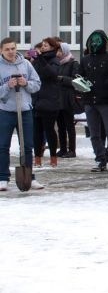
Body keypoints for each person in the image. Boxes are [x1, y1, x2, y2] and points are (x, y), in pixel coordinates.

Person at [0, 37, 44, 191]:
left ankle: (29, 177)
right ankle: (3, 178)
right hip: (5, 110)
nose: (11, 52)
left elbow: (37, 84)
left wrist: (26, 84)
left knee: (27, 146)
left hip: (25, 110)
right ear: (1, 51)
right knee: (3, 145)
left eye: (13, 48)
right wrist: (7, 86)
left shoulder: (26, 64)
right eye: (7, 49)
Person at [79, 30, 108, 171]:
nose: (95, 43)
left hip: (107, 100)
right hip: (90, 100)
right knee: (94, 133)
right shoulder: (85, 59)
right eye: (92, 41)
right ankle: (100, 158)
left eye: (98, 40)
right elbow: (79, 75)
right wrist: (80, 84)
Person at [31, 37, 63, 168]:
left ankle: (53, 157)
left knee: (49, 130)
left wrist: (40, 59)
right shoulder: (38, 61)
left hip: (50, 101)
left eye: (46, 45)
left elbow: (51, 73)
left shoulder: (54, 61)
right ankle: (37, 157)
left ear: (52, 47)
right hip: (37, 100)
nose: (43, 47)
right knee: (36, 131)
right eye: (42, 45)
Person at [55, 42, 79, 159]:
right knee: (60, 126)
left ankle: (72, 150)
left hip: (68, 98)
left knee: (69, 125)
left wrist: (62, 78)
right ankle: (63, 148)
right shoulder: (58, 63)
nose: (58, 53)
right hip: (58, 98)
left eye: (60, 50)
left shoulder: (73, 63)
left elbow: (75, 80)